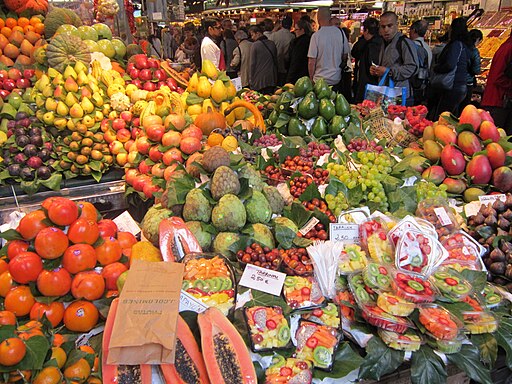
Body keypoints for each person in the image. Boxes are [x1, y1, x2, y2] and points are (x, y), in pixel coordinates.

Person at [370, 11, 418, 106]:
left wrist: (389, 71)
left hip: (401, 95)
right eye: (383, 27)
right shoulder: (383, 43)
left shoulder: (404, 42)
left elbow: (413, 68)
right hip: (386, 95)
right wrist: (376, 70)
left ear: (396, 25)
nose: (386, 30)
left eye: (389, 26)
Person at [427, 18, 470, 120]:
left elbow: (450, 65)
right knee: (451, 117)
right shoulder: (465, 45)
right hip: (460, 86)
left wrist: (436, 69)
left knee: (443, 118)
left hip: (453, 86)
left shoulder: (456, 45)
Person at [307, 7, 350, 91]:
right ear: (330, 18)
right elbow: (345, 55)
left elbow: (311, 61)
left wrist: (311, 79)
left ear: (318, 19)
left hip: (319, 79)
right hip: (336, 78)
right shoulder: (340, 33)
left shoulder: (316, 36)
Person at [481, 31, 512, 133]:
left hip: (500, 102)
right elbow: (497, 76)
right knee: (495, 137)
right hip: (497, 101)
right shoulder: (508, 48)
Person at [351, 17, 383, 103]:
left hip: (366, 85)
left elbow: (354, 52)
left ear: (367, 30)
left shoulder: (366, 44)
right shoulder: (382, 43)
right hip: (376, 85)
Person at [248, 25, 277, 94]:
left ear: (258, 33)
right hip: (272, 78)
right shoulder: (272, 43)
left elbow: (252, 64)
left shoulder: (255, 45)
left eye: (252, 35)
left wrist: (251, 80)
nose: (252, 38)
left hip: (260, 80)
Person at [409, 19, 432, 105]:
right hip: (423, 84)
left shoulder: (411, 46)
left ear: (414, 30)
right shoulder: (428, 47)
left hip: (414, 85)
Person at [461, 29, 483, 111]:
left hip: (456, 81)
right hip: (468, 82)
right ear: (477, 39)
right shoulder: (474, 51)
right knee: (464, 108)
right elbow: (476, 70)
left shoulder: (461, 47)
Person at [269, 16, 295, 85]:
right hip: (286, 66)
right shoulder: (292, 37)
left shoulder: (274, 35)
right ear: (291, 25)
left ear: (281, 24)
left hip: (274, 65)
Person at [286, 18, 312, 84]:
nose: (294, 31)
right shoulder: (311, 40)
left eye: (296, 29)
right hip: (307, 74)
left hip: (297, 76)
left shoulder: (299, 43)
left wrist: (289, 78)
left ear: (302, 30)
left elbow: (295, 61)